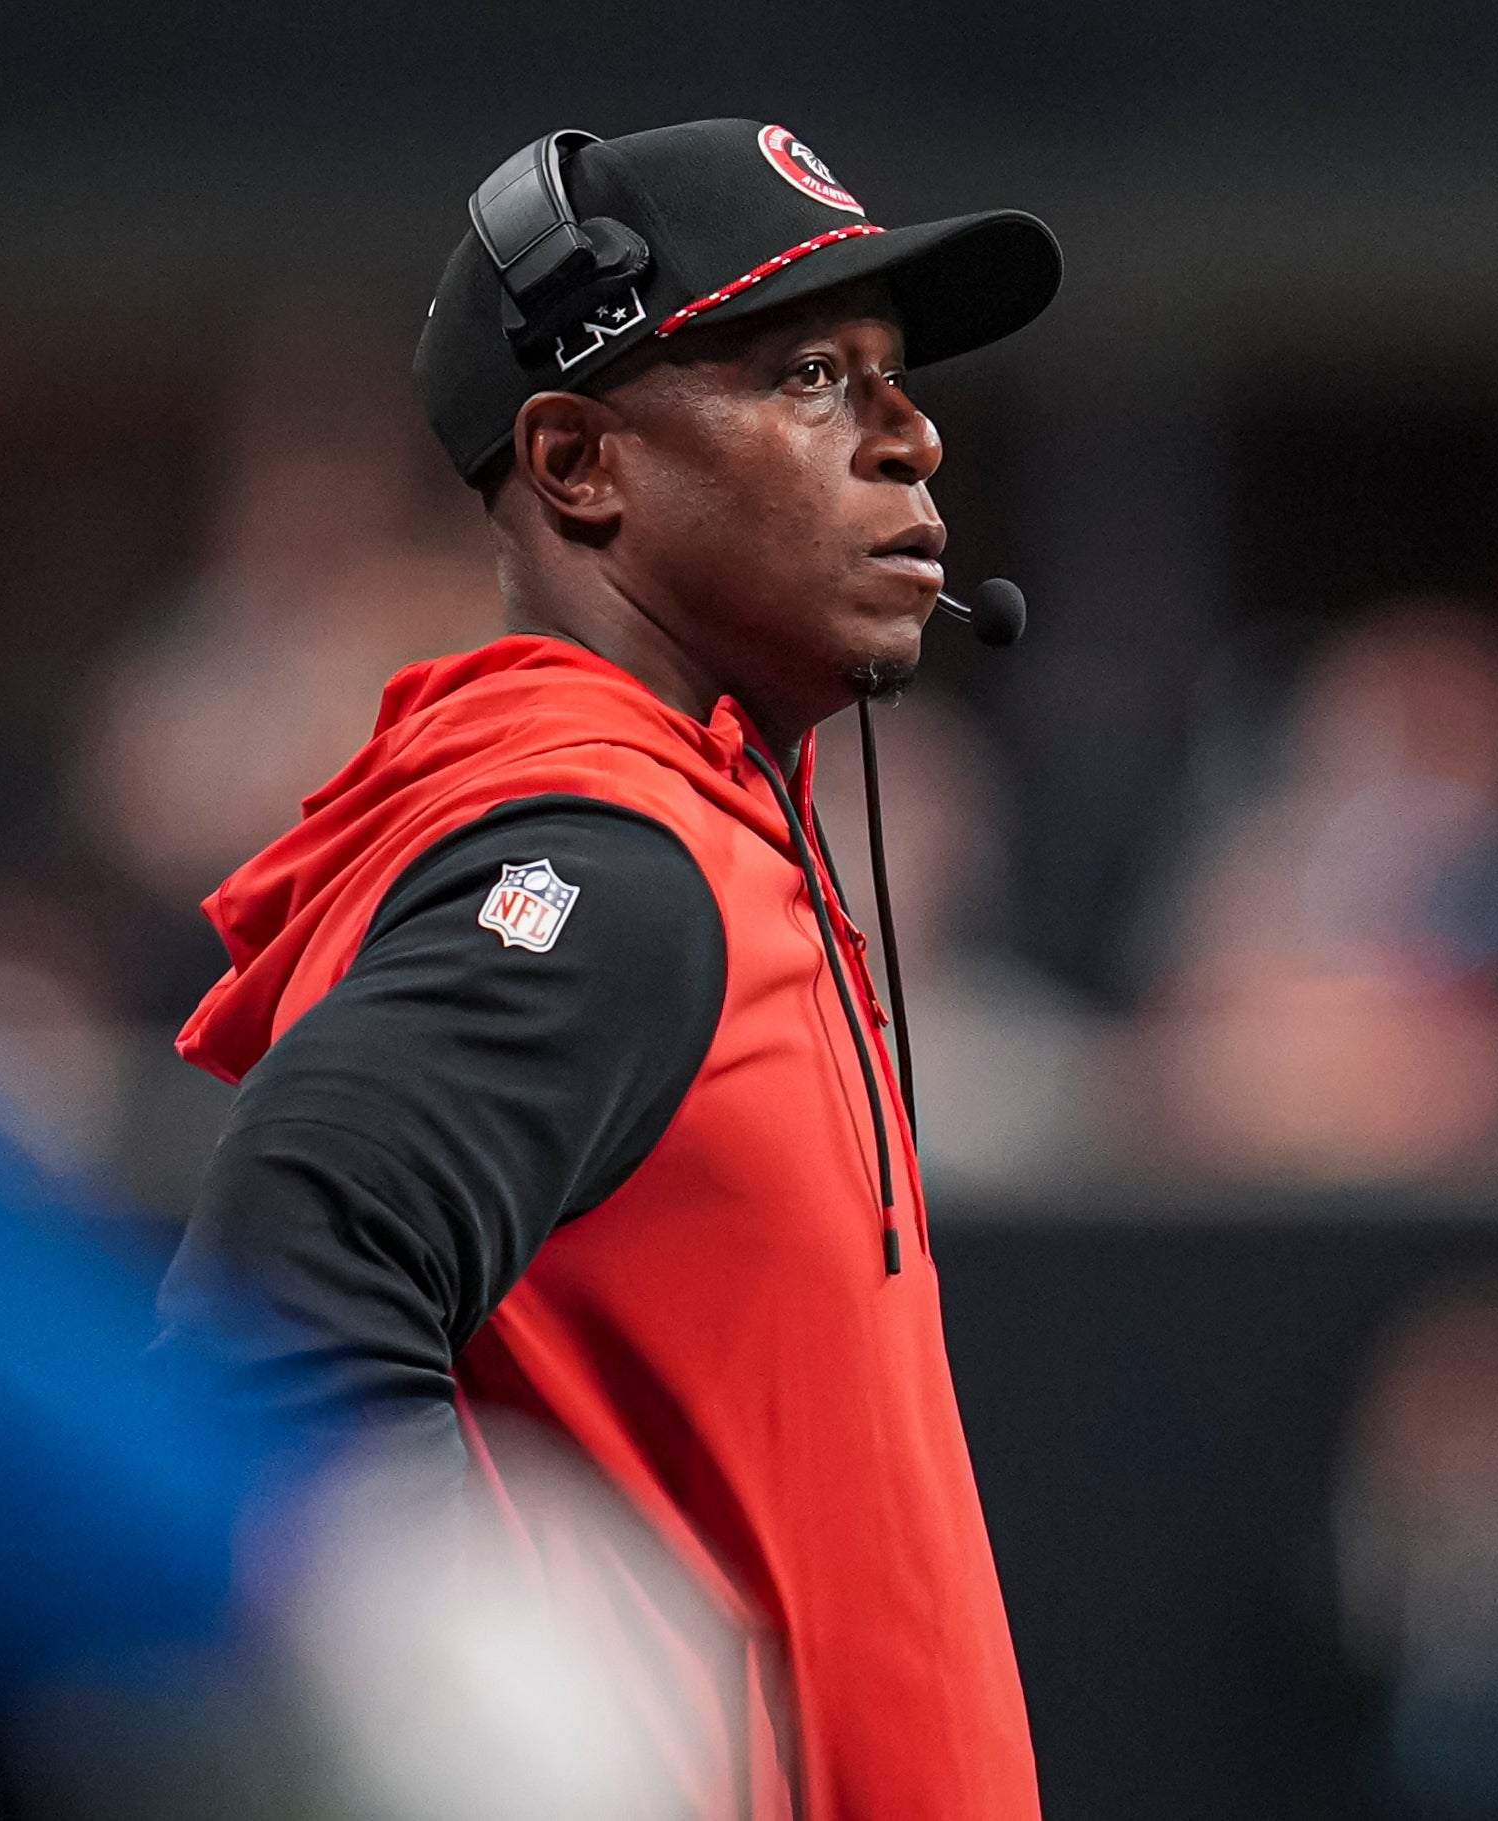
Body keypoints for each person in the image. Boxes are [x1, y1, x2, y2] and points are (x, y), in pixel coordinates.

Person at [157, 118, 1061, 1819]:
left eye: (893, 376)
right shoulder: (601, 865)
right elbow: (266, 1328)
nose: (912, 435)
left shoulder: (696, 833)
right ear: (579, 463)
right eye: (809, 374)